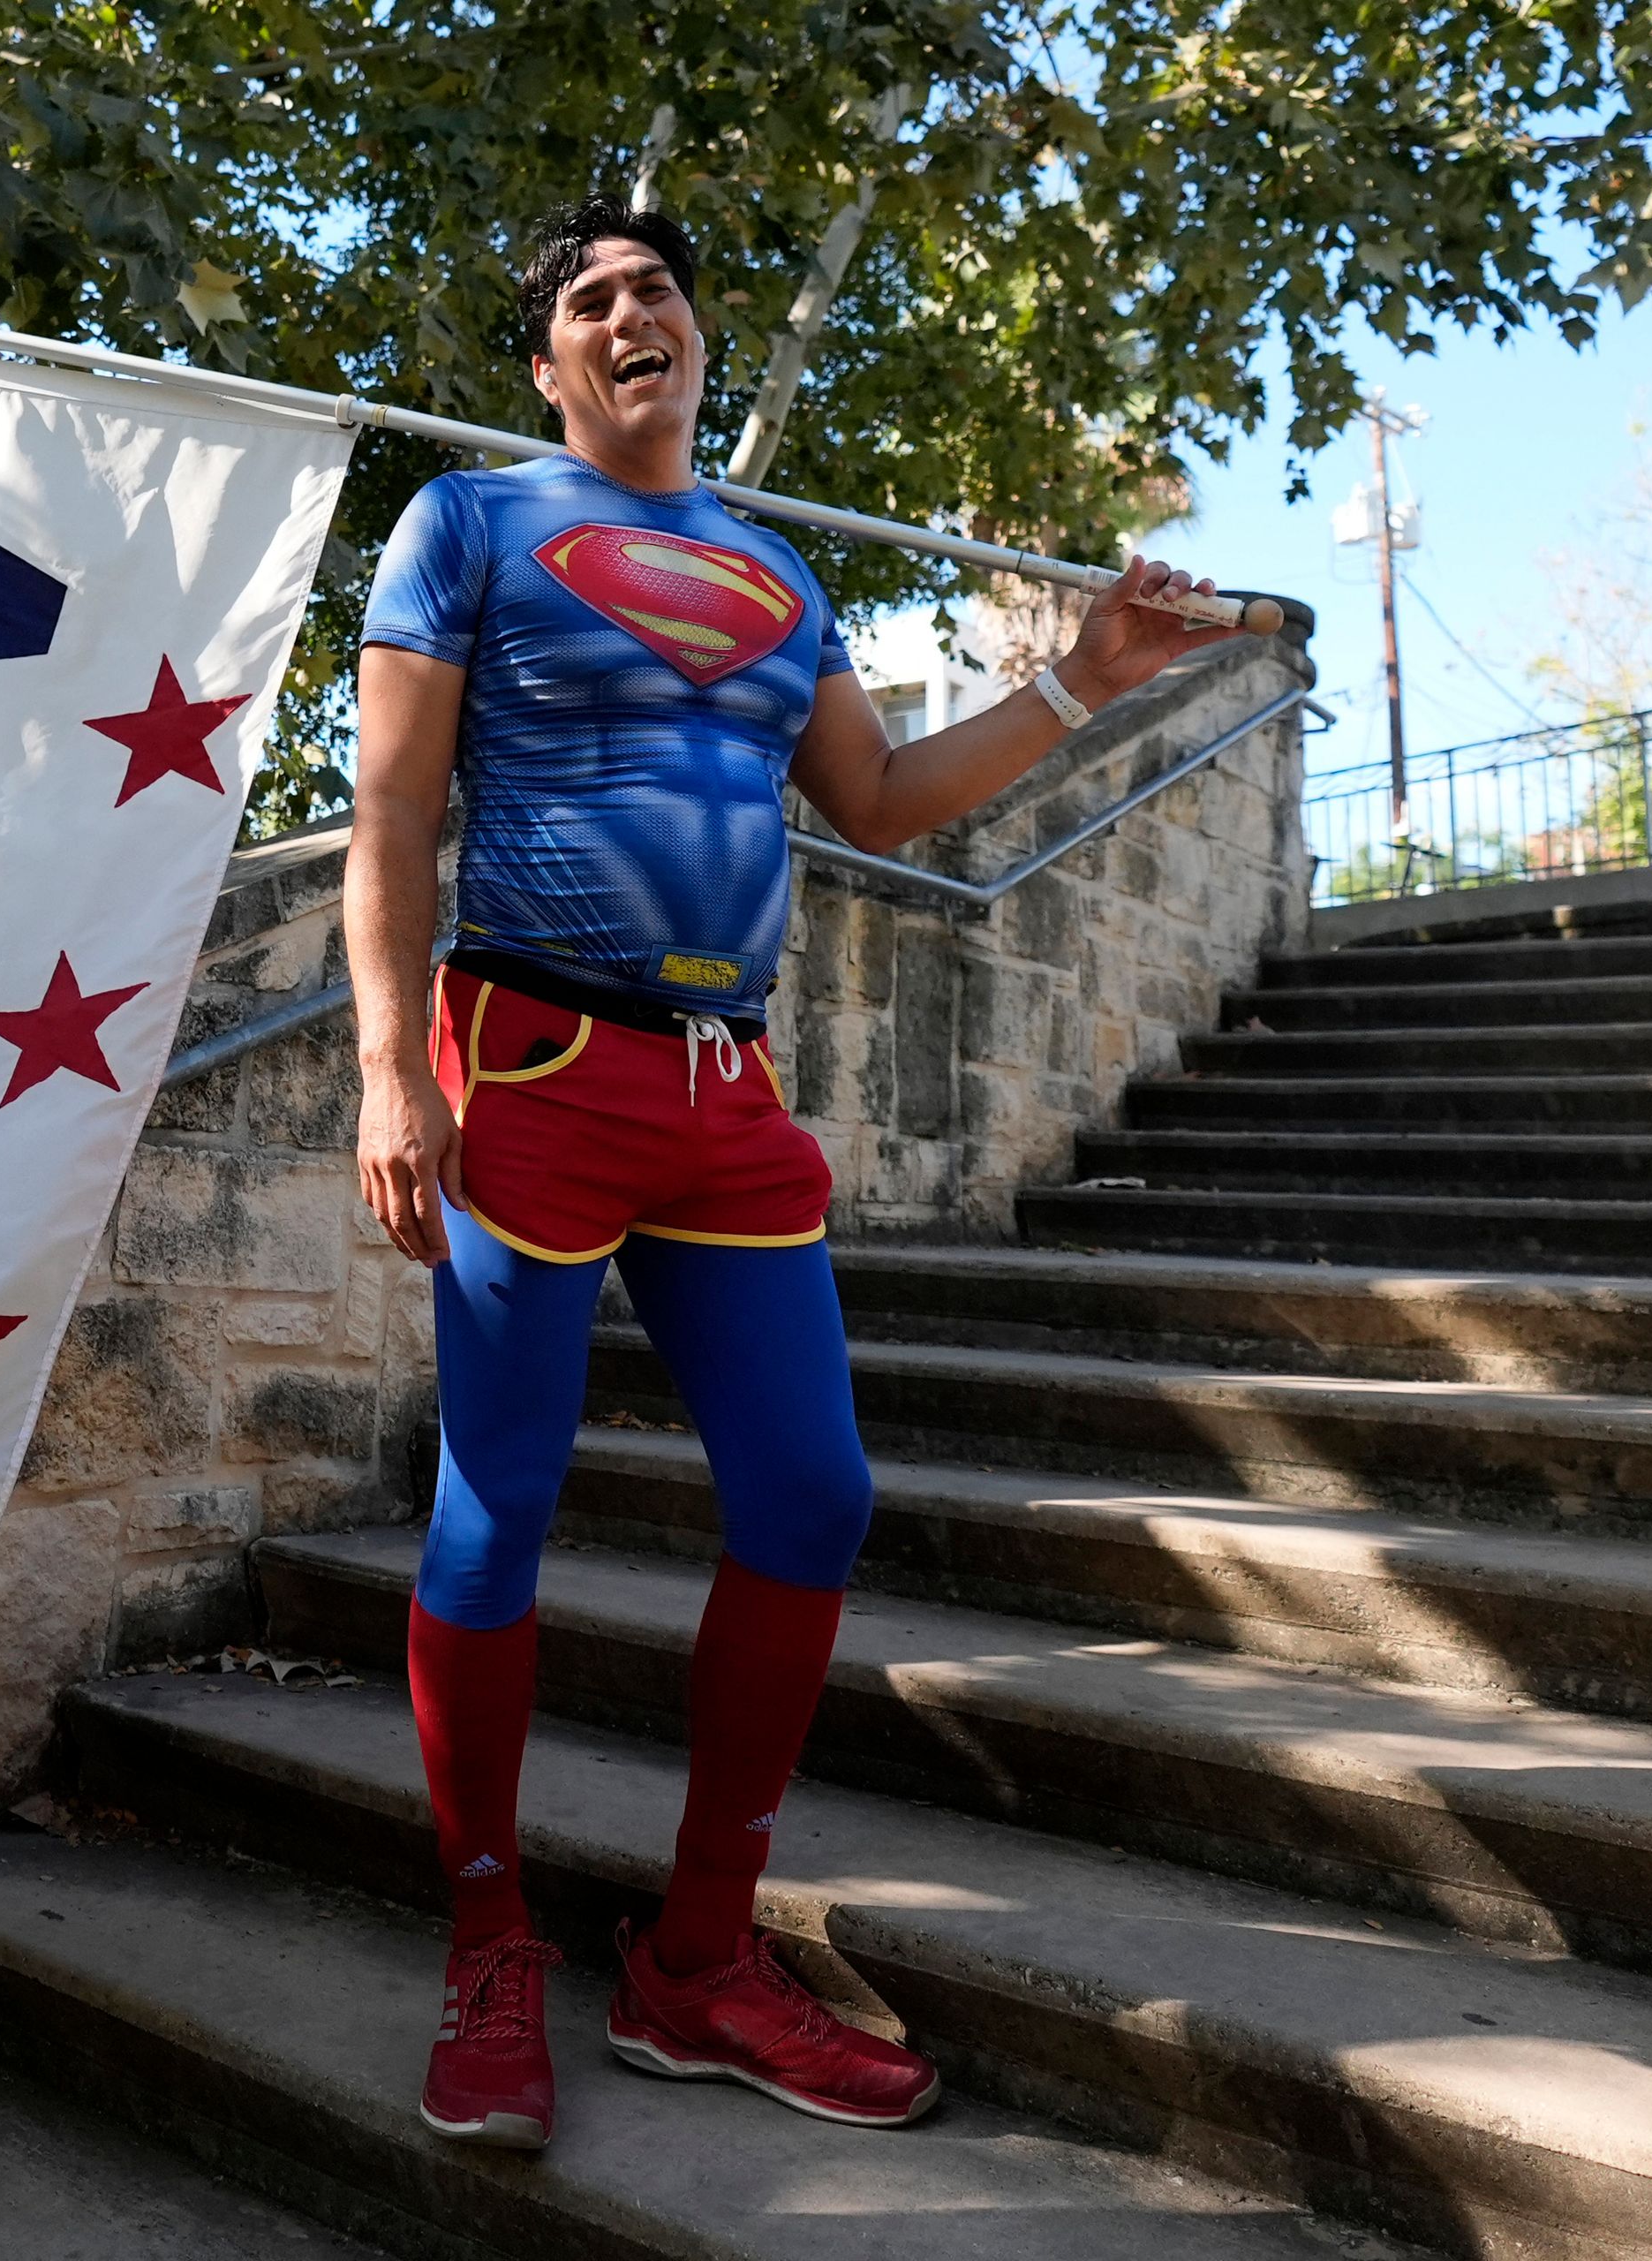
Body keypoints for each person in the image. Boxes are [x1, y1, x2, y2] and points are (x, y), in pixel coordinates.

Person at [345, 194, 1247, 2149]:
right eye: (586, 297)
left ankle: (697, 1955)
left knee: (814, 1492)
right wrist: (381, 1073)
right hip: (529, 1063)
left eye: (656, 286)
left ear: (697, 335)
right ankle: (490, 1938)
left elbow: (884, 801)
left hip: (724, 1086)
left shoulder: (773, 565)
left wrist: (1084, 678)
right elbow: (394, 810)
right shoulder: (469, 527)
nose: (627, 308)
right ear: (550, 364)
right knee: (495, 1511)